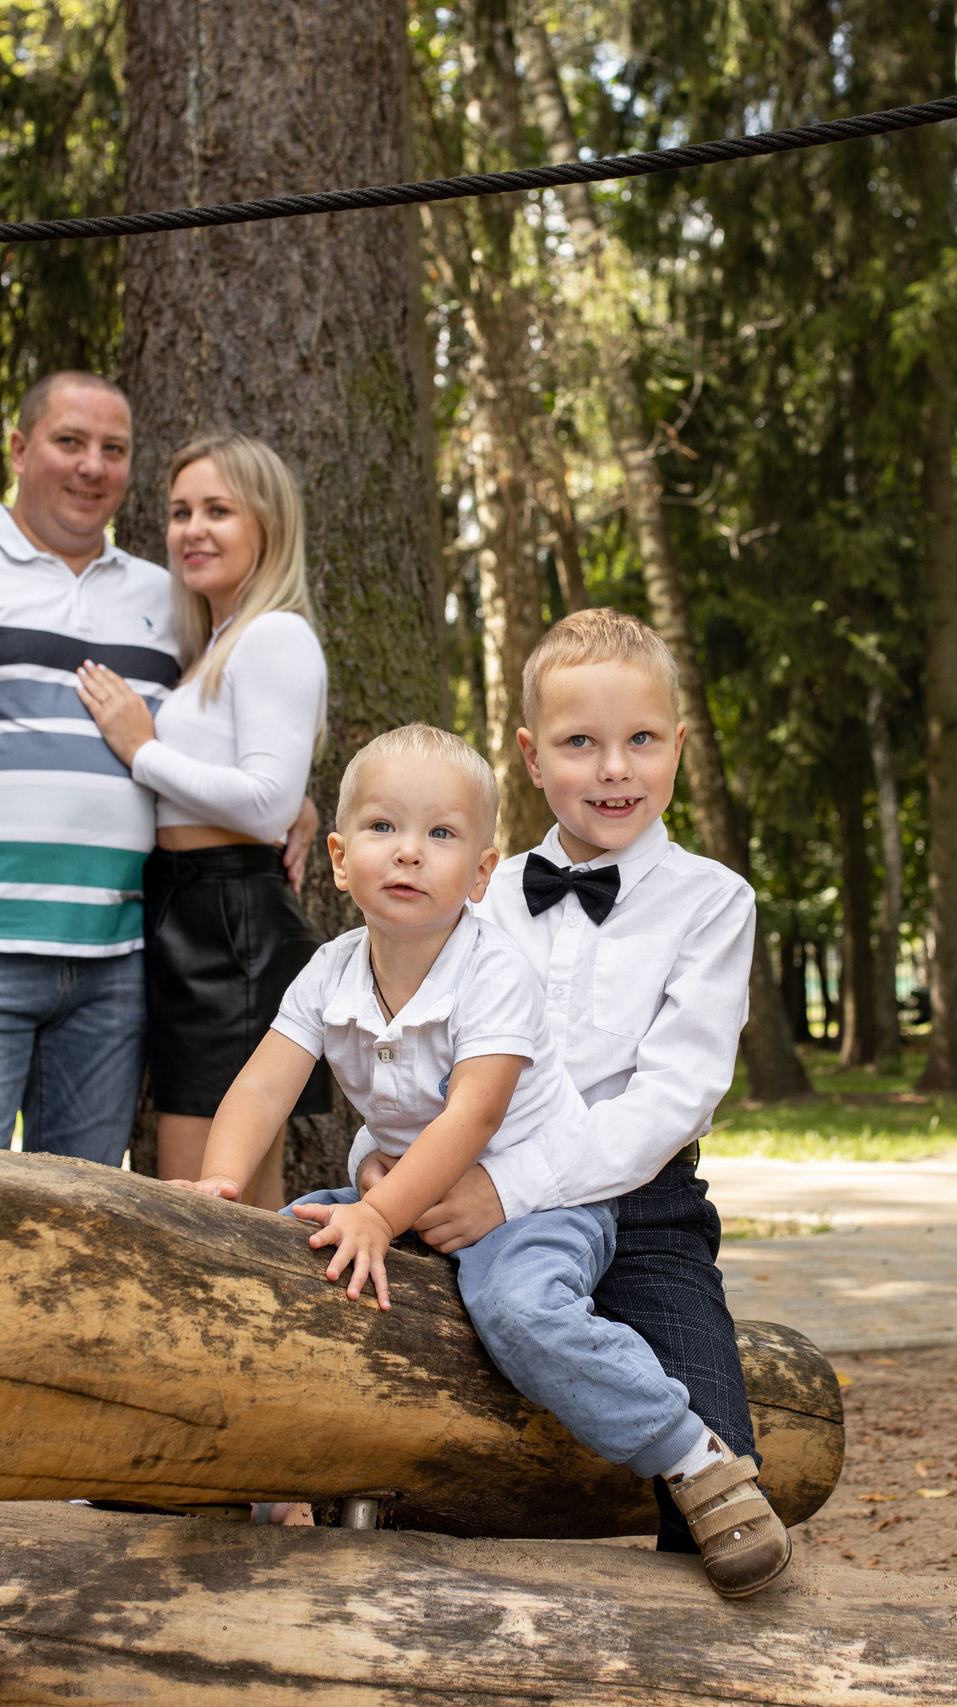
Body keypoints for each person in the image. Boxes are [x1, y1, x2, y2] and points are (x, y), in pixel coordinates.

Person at [173, 723, 791, 1599]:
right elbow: (263, 1087)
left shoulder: (493, 967)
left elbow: (474, 1115)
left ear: (484, 872)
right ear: (340, 858)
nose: (411, 854)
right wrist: (220, 1187)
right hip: (403, 1190)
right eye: (385, 829)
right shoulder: (329, 969)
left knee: (520, 1307)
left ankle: (693, 1457)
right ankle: (252, 1478)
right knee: (271, 1252)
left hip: (540, 1202)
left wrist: (383, 1215)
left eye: (441, 835)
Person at [355, 608, 762, 1559]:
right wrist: (388, 1163)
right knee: (390, 1398)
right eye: (582, 743)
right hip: (457, 1184)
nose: (614, 768)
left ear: (678, 747)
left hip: (642, 1205)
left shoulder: (712, 902)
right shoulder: (479, 893)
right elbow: (407, 1046)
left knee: (721, 1494)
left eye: (641, 741)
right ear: (533, 759)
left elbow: (671, 1100)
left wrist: (508, 1189)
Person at [0, 374, 306, 1163]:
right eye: (70, 442)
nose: (92, 466)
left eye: (113, 450)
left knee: (87, 1223)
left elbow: (226, 719)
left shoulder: (168, 597)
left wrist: (292, 802)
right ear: (21, 450)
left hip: (115, 968)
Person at [75, 434, 331, 1211]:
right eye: (181, 512)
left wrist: (141, 749)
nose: (193, 530)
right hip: (188, 908)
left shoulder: (274, 634)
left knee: (200, 1205)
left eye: (218, 510)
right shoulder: (217, 639)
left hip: (231, 929)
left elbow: (267, 801)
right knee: (225, 1202)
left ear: (268, 525)